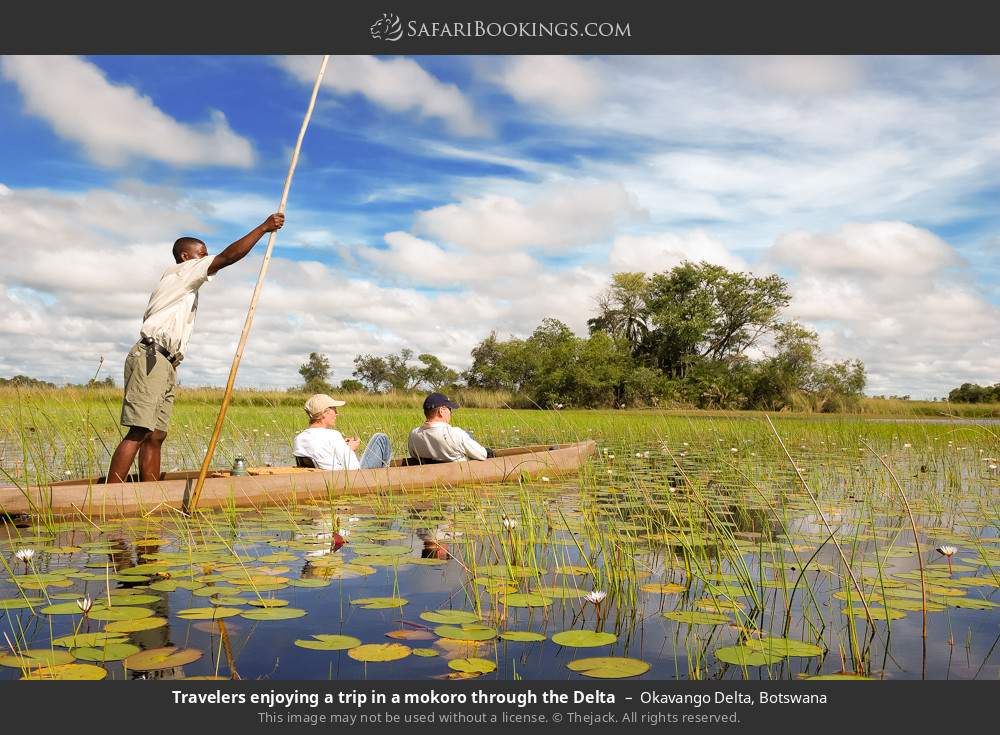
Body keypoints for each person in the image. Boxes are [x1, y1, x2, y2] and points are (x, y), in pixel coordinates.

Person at [106, 213, 285, 483]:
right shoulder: (180, 272)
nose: (206, 259)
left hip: (166, 361)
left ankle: (150, 492)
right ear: (185, 257)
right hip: (151, 356)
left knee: (156, 434)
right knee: (140, 429)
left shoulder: (186, 284)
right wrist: (264, 227)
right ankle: (111, 495)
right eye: (202, 255)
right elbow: (227, 257)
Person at [292, 394, 392, 470]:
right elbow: (353, 469)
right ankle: (384, 481)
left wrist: (344, 447)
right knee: (381, 438)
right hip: (347, 480)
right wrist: (350, 450)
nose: (337, 413)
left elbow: (320, 458)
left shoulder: (298, 438)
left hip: (321, 477)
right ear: (324, 413)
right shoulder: (333, 435)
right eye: (334, 410)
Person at [407, 392, 492, 463]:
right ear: (441, 411)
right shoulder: (455, 433)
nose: (451, 413)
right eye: (450, 409)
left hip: (429, 476)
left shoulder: (413, 434)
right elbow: (482, 455)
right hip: (460, 475)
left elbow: (414, 456)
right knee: (469, 436)